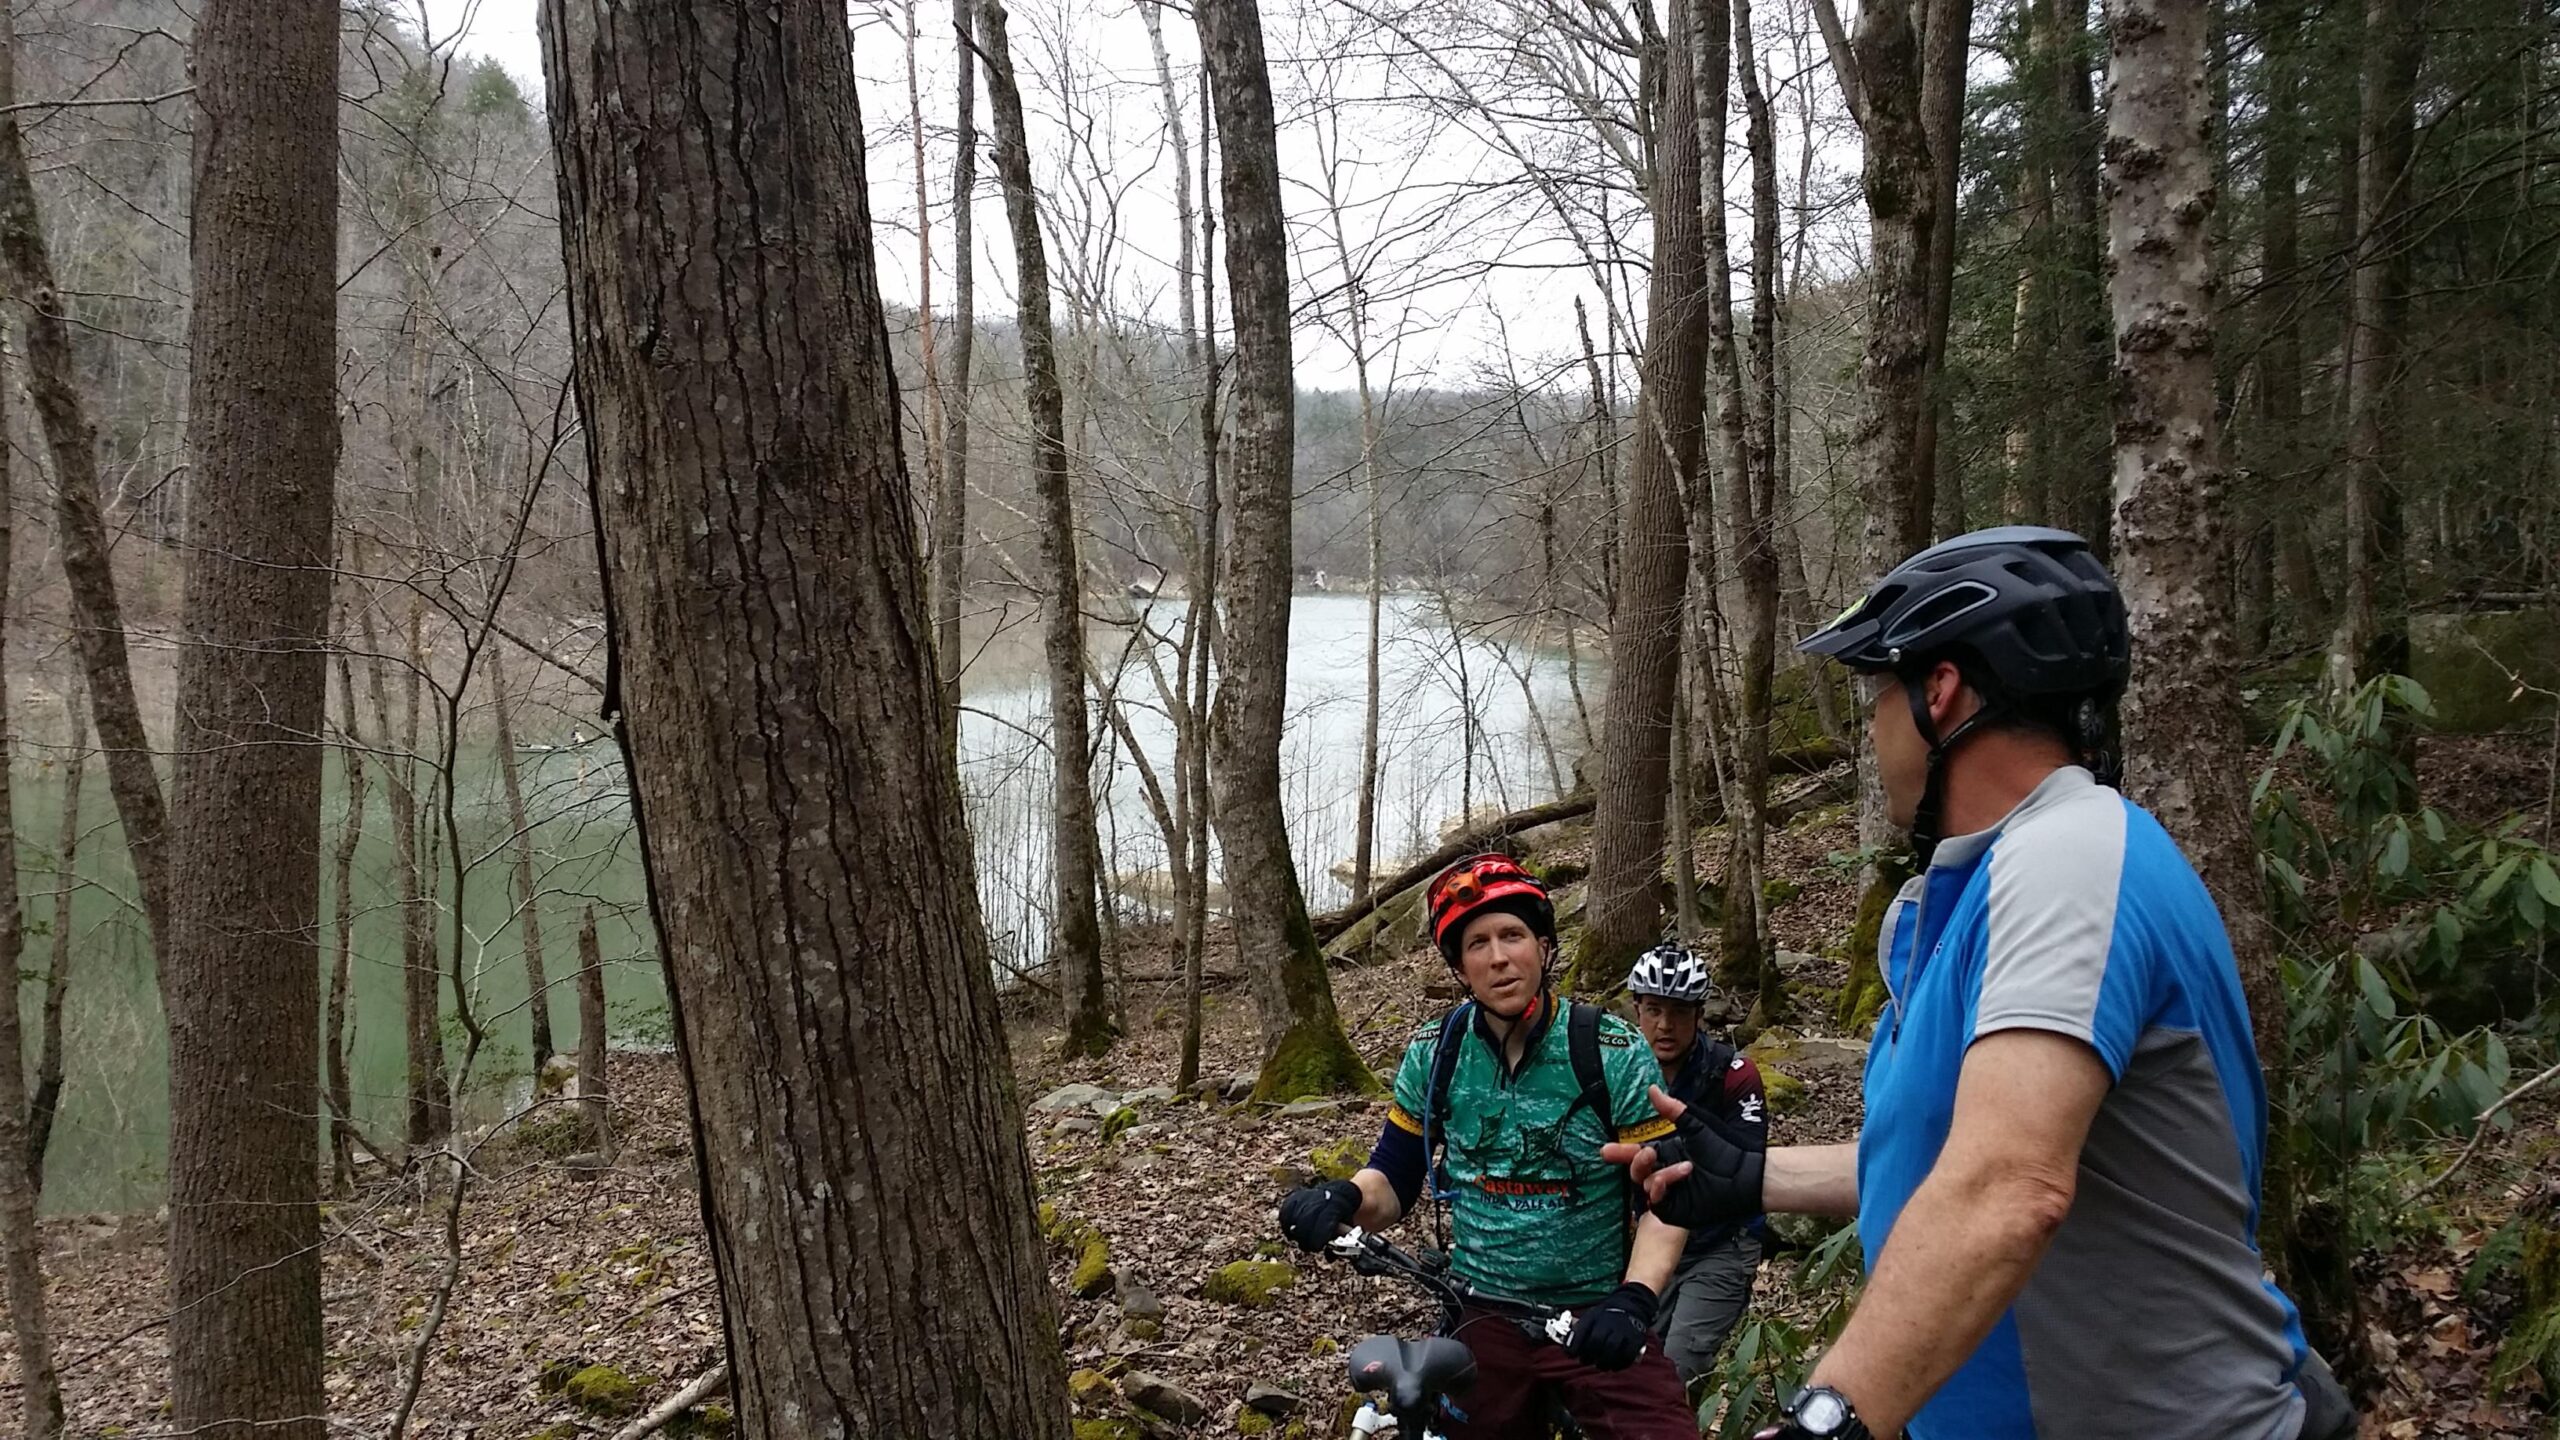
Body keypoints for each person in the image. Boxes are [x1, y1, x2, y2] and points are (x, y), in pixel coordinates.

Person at [1602, 527, 2359, 1440]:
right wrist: (1754, 1177)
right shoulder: (1995, 882)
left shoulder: (2067, 856)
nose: (1870, 729)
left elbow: (2010, 1186)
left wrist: (1828, 1422)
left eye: (1878, 696)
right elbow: (1971, 1156)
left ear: (1942, 693)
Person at [1277, 854, 1700, 1439]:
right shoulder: (1435, 1052)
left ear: (1544, 946)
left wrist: (1635, 1298)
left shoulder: (1610, 1046)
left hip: (1596, 1315)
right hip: (1481, 1311)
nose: (1499, 957)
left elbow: (1666, 1195)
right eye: (1477, 943)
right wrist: (1342, 1195)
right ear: (1459, 967)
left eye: (1513, 935)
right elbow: (1395, 1181)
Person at [1624, 941, 1768, 1388]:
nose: (1665, 1025)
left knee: (1677, 1372)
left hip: (1721, 1242)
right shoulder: (1620, 1071)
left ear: (1699, 1015)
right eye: (1653, 1010)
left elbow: (1749, 1162)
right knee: (1630, 1367)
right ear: (1636, 1010)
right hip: (1646, 1242)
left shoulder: (1733, 1073)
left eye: (1680, 1012)